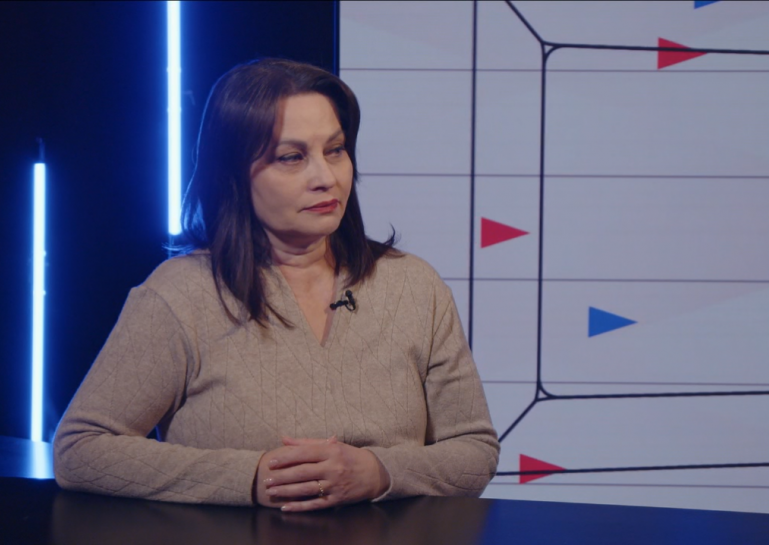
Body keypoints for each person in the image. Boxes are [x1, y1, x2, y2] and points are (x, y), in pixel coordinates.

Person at [53, 58, 499, 512]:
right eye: (292, 157)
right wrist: (250, 478)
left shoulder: (414, 286)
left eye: (335, 150)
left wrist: (380, 472)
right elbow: (80, 450)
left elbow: (474, 451)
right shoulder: (181, 294)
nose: (326, 177)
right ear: (233, 175)